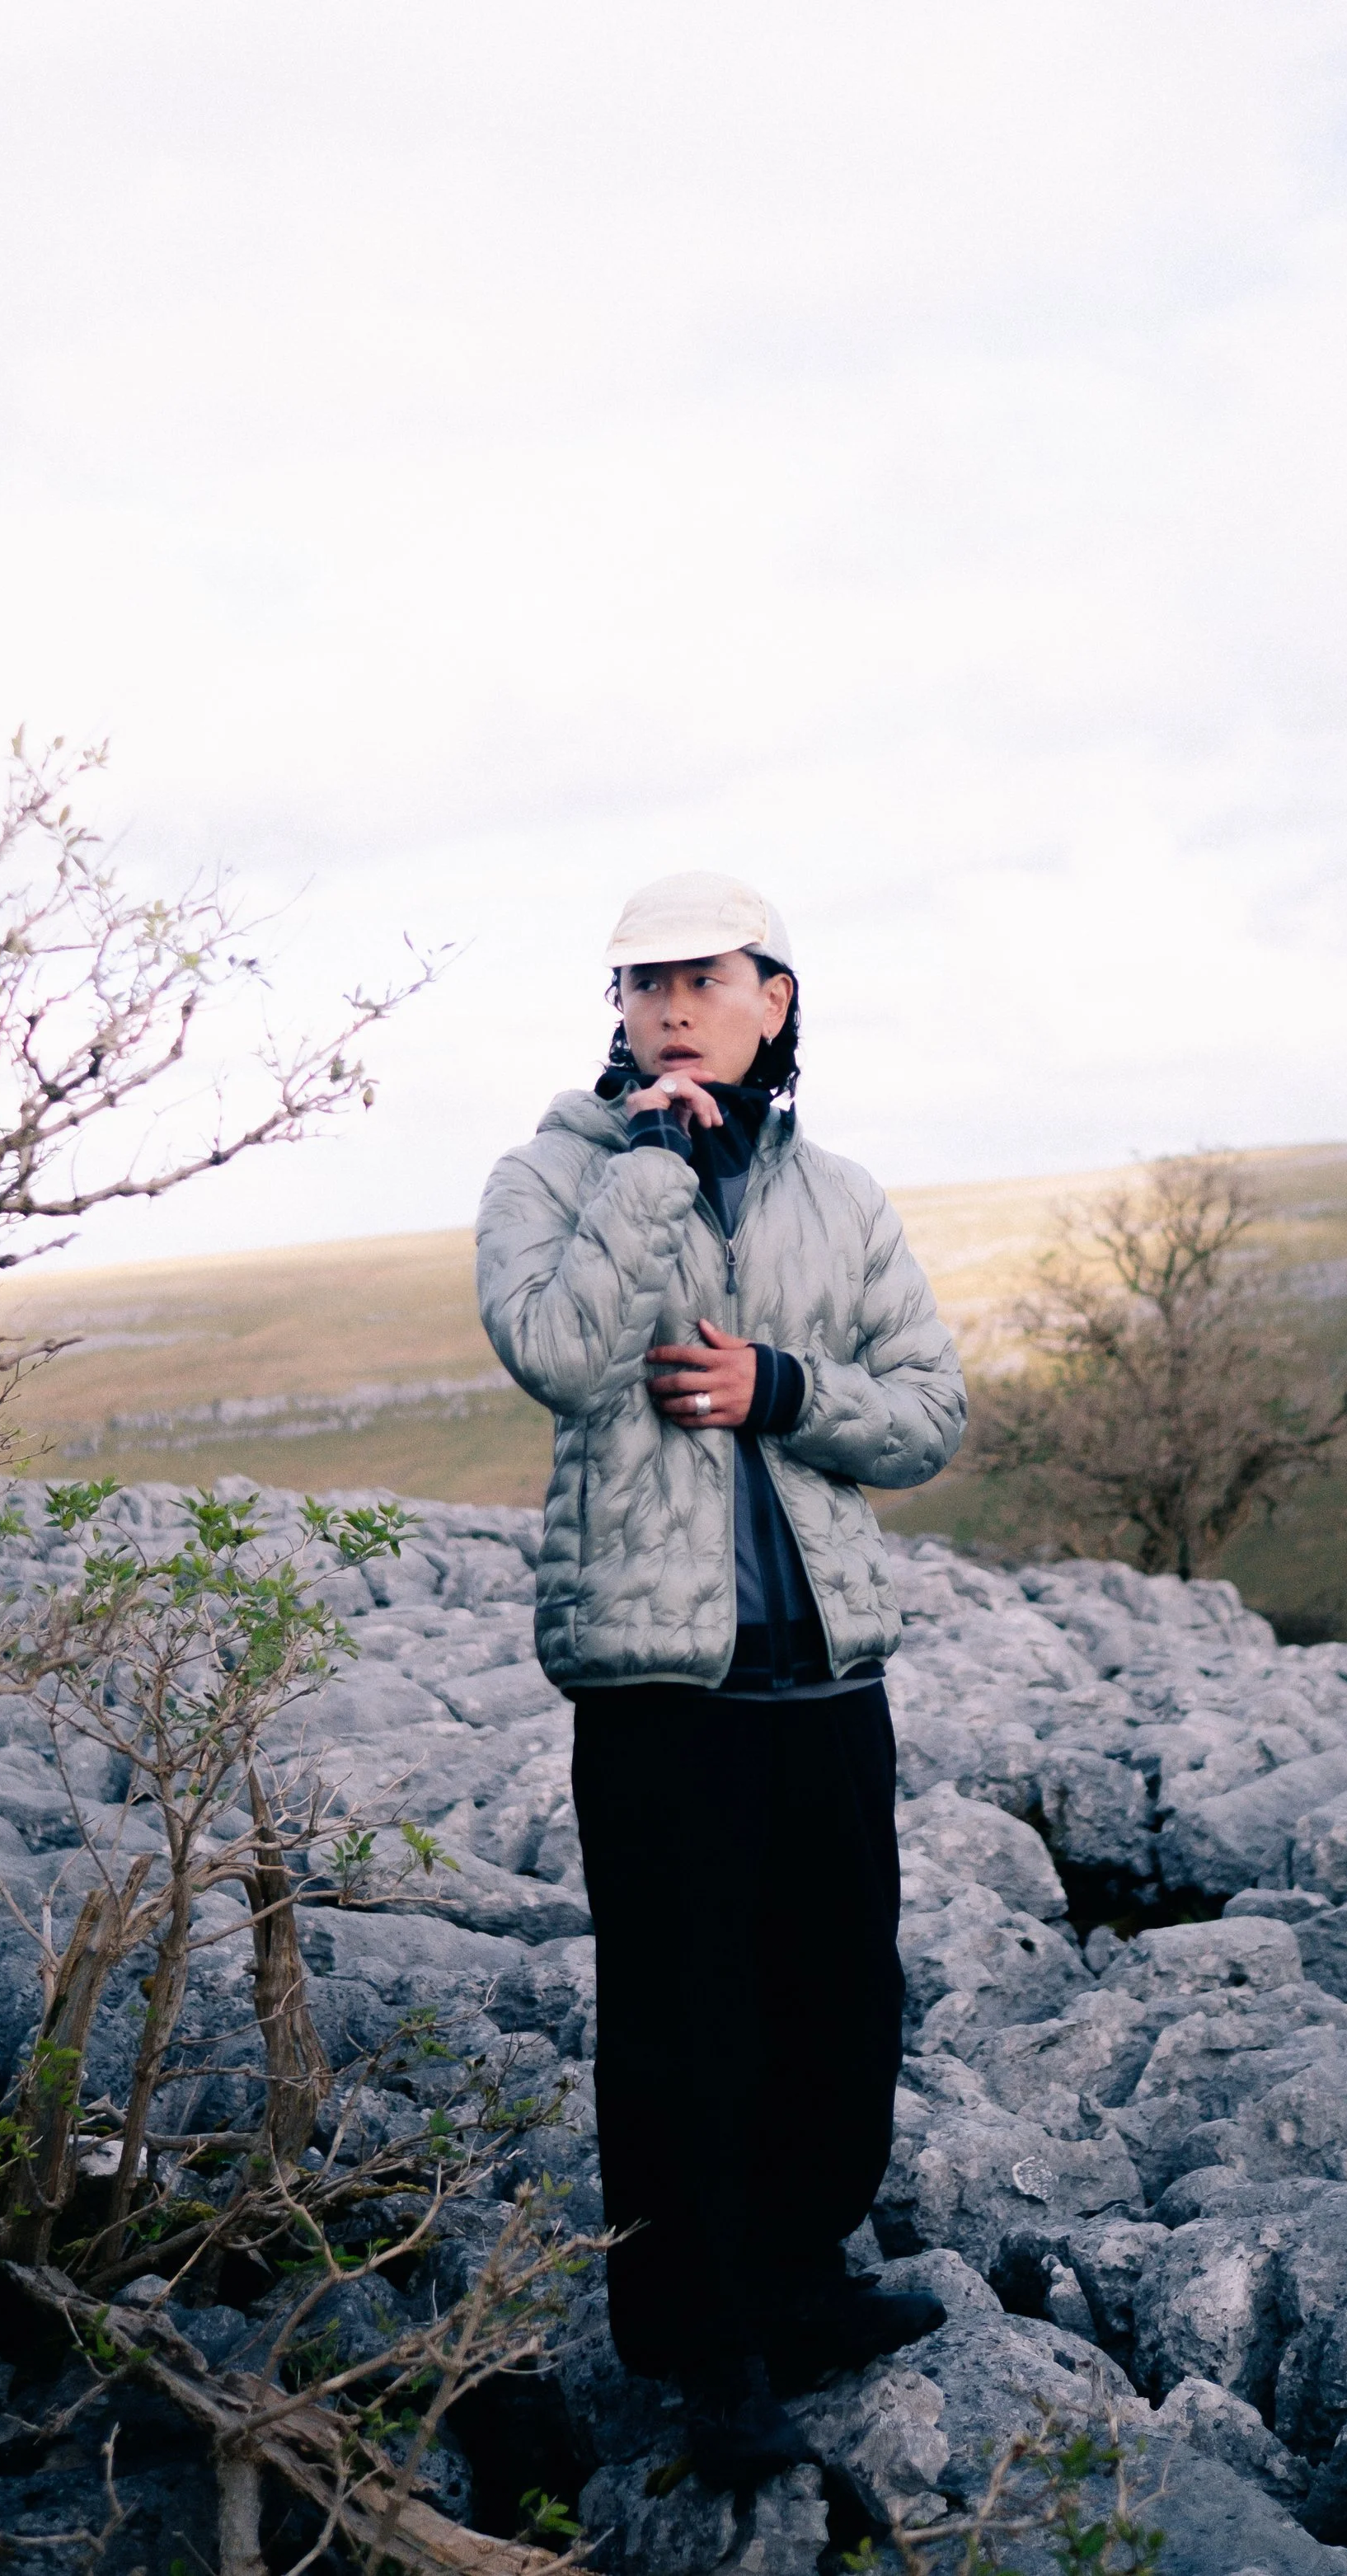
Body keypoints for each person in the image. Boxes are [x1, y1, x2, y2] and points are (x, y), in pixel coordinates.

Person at [475, 870, 967, 2486]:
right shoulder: (549, 1176)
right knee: (680, 2023)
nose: (672, 1006)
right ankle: (701, 2349)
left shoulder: (843, 1195)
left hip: (826, 1669)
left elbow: (929, 1411)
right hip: (655, 1680)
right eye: (643, 982)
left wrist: (784, 1387)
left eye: (704, 977)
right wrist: (651, 1169)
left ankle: (799, 2279)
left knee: (839, 2000)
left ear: (775, 997)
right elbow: (556, 1353)